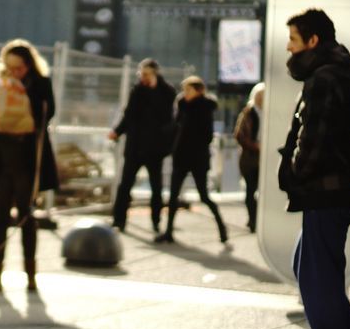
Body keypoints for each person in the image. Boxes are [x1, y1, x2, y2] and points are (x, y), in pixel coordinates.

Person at [278, 8, 350, 329]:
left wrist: (293, 172)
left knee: (318, 276)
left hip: (326, 190)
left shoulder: (325, 78)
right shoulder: (346, 71)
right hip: (343, 188)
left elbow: (315, 142)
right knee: (307, 264)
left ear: (313, 41)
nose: (288, 47)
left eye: (294, 40)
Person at [0, 39, 58, 292]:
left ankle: (30, 274)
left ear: (29, 66)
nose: (14, 72)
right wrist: (0, 95)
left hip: (27, 157)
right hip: (2, 157)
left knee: (26, 215)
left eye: (19, 68)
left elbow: (47, 114)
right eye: (10, 67)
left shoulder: (40, 84)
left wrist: (22, 94)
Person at [156, 75, 227, 244]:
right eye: (184, 89)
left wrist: (192, 144)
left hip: (197, 159)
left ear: (199, 91)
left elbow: (207, 136)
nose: (185, 93)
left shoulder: (205, 108)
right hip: (180, 157)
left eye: (189, 89)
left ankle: (222, 227)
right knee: (173, 195)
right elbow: (176, 128)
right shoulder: (182, 106)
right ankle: (168, 232)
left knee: (204, 196)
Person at [108, 58, 176, 234]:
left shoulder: (167, 92)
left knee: (156, 187)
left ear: (154, 74)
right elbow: (129, 115)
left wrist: (153, 90)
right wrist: (117, 131)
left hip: (155, 149)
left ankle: (155, 221)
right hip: (135, 147)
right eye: (141, 74)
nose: (142, 77)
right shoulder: (137, 91)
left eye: (146, 74)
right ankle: (119, 220)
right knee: (125, 185)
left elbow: (166, 116)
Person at [234, 81, 266, 232]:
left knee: (264, 191)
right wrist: (255, 146)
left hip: (265, 159)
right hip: (250, 158)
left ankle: (259, 219)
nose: (262, 98)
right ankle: (252, 220)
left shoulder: (271, 112)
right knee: (250, 190)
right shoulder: (248, 112)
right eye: (259, 95)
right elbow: (239, 135)